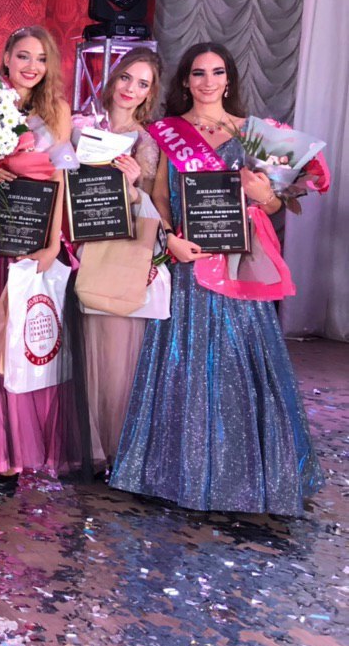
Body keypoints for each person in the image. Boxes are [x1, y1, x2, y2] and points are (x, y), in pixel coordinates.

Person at [110, 42, 323, 515]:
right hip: (188, 260)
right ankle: (175, 472)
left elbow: (274, 204)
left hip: (236, 264)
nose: (208, 81)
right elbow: (159, 197)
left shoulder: (254, 134)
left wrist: (264, 194)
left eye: (217, 72)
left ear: (229, 80)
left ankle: (246, 475)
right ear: (185, 81)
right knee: (181, 364)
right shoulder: (167, 132)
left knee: (240, 364)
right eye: (198, 73)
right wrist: (170, 239)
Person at [0, 25, 77, 495]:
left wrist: (52, 244)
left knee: (21, 345)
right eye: (24, 56)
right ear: (6, 58)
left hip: (31, 237)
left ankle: (15, 454)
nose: (32, 66)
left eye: (41, 58)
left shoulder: (57, 112)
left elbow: (60, 180)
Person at [74, 48, 162, 470]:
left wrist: (133, 184)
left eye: (142, 84)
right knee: (73, 353)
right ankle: (77, 445)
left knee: (112, 355)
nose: (131, 89)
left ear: (149, 94)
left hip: (113, 256)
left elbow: (151, 208)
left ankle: (112, 449)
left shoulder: (147, 142)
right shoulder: (79, 125)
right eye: (126, 77)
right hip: (70, 246)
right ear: (113, 78)